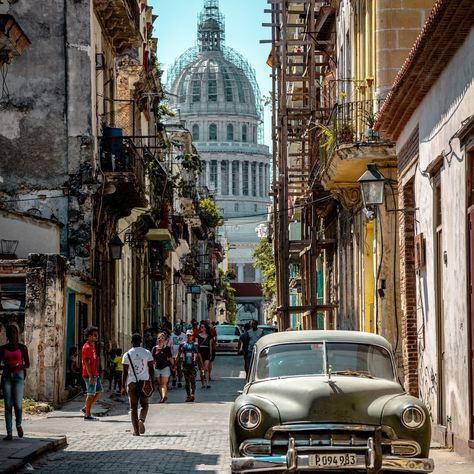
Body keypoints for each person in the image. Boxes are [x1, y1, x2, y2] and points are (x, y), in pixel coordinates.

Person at [0, 325, 30, 440]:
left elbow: (27, 364)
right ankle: (9, 433)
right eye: (10, 332)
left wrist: (19, 367)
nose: (12, 334)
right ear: (7, 335)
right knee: (8, 405)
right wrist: (6, 367)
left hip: (18, 377)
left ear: (17, 334)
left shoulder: (22, 348)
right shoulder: (2, 349)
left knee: (18, 404)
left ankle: (18, 425)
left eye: (14, 332)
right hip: (7, 376)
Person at [121, 334, 154, 436]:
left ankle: (136, 431)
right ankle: (142, 420)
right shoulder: (147, 353)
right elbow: (151, 369)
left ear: (131, 342)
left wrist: (123, 386)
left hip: (132, 383)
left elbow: (125, 372)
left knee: (133, 408)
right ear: (141, 341)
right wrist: (152, 381)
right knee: (145, 405)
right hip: (144, 383)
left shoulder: (127, 354)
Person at [81, 326, 102, 421]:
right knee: (90, 394)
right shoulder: (87, 348)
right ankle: (87, 415)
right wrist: (91, 377)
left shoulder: (92, 346)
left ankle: (86, 408)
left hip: (95, 374)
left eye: (96, 335)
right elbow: (87, 363)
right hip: (90, 375)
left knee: (99, 392)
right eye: (94, 335)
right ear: (89, 336)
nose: (96, 337)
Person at [177, 330, 199, 402]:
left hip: (193, 365)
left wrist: (201, 365)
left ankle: (193, 394)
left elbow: (198, 355)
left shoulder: (195, 345)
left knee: (193, 381)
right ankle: (188, 395)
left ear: (193, 336)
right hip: (185, 365)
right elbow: (179, 354)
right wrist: (175, 364)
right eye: (188, 335)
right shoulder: (182, 344)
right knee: (186, 381)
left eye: (190, 335)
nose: (189, 336)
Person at [152, 332, 173, 403]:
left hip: (165, 368)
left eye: (162, 338)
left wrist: (173, 366)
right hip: (157, 368)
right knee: (159, 384)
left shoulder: (167, 348)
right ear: (157, 340)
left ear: (165, 340)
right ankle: (162, 397)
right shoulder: (154, 349)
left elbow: (170, 358)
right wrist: (151, 367)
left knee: (164, 383)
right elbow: (152, 359)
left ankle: (164, 396)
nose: (160, 339)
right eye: (159, 338)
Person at [197, 322, 213, 389]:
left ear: (206, 328)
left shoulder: (209, 336)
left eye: (203, 327)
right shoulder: (197, 336)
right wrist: (196, 354)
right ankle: (203, 383)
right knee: (201, 369)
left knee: (206, 368)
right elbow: (196, 346)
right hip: (200, 352)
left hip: (206, 352)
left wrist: (210, 354)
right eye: (201, 327)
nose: (201, 328)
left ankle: (207, 383)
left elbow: (210, 346)